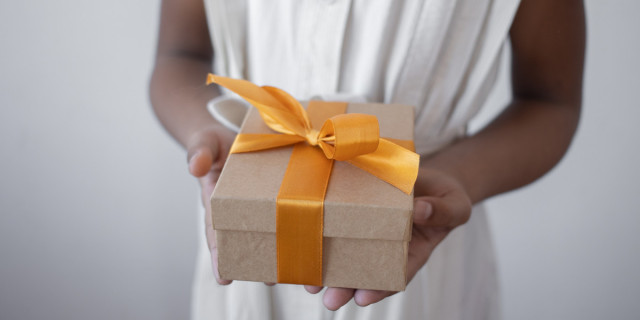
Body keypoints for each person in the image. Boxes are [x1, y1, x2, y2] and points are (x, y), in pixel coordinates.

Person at [150, 0, 585, 319]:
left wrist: (456, 176)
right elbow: (179, 54)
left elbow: (549, 100)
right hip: (252, 219)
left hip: (419, 230)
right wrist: (210, 139)